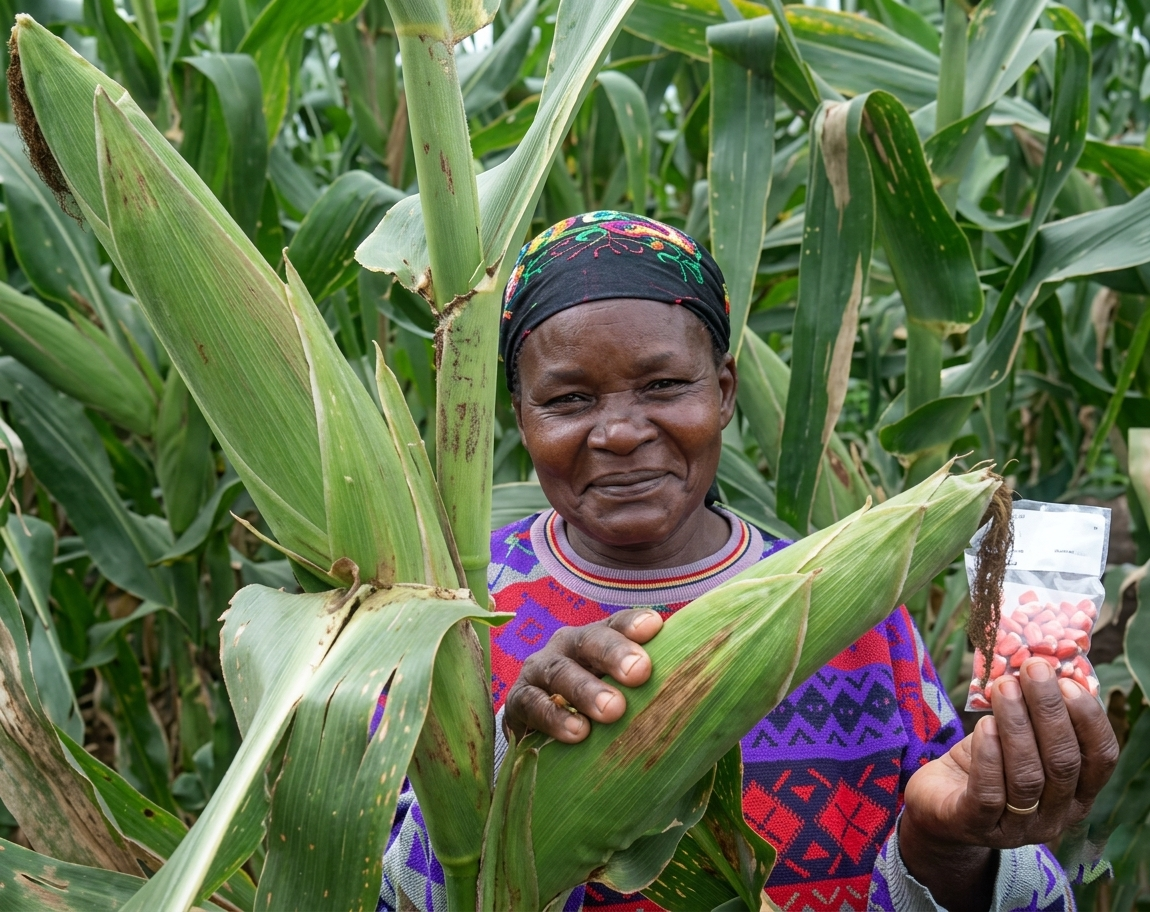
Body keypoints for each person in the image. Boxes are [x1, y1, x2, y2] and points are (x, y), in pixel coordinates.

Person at [377, 211, 1118, 912]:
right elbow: (382, 893)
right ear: (522, 417)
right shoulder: (459, 621)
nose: (623, 433)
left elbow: (1014, 882)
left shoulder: (851, 611)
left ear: (724, 391)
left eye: (665, 385)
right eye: (570, 400)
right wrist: (510, 763)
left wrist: (946, 846)